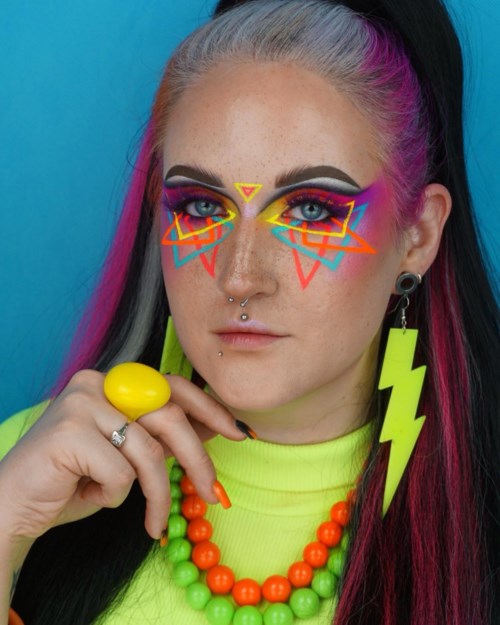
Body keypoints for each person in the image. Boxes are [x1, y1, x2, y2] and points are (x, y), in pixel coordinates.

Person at [0, 0, 498, 623]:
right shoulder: (31, 465)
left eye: (311, 211)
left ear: (418, 236)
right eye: (203, 208)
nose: (239, 278)